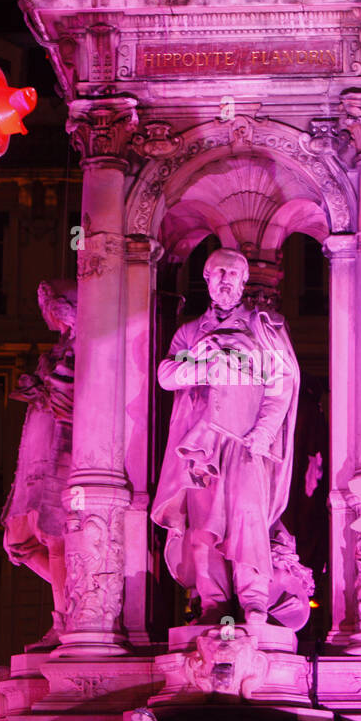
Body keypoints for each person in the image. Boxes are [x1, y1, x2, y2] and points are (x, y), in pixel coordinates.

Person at [151, 248, 310, 628]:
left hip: (247, 439)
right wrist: (204, 367)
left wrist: (264, 432)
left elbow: (282, 383)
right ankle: (212, 603)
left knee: (248, 518)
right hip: (201, 441)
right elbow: (167, 374)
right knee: (204, 524)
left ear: (243, 282)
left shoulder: (265, 327)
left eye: (233, 274)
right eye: (218, 272)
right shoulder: (190, 332)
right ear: (206, 278)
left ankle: (254, 600)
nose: (226, 279)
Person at [2, 280, 76, 647]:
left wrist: (44, 391)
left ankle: (66, 618)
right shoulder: (59, 348)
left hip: (61, 447)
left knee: (54, 535)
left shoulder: (80, 346)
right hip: (37, 449)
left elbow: (76, 396)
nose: (45, 312)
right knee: (17, 540)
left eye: (49, 305)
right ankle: (77, 600)